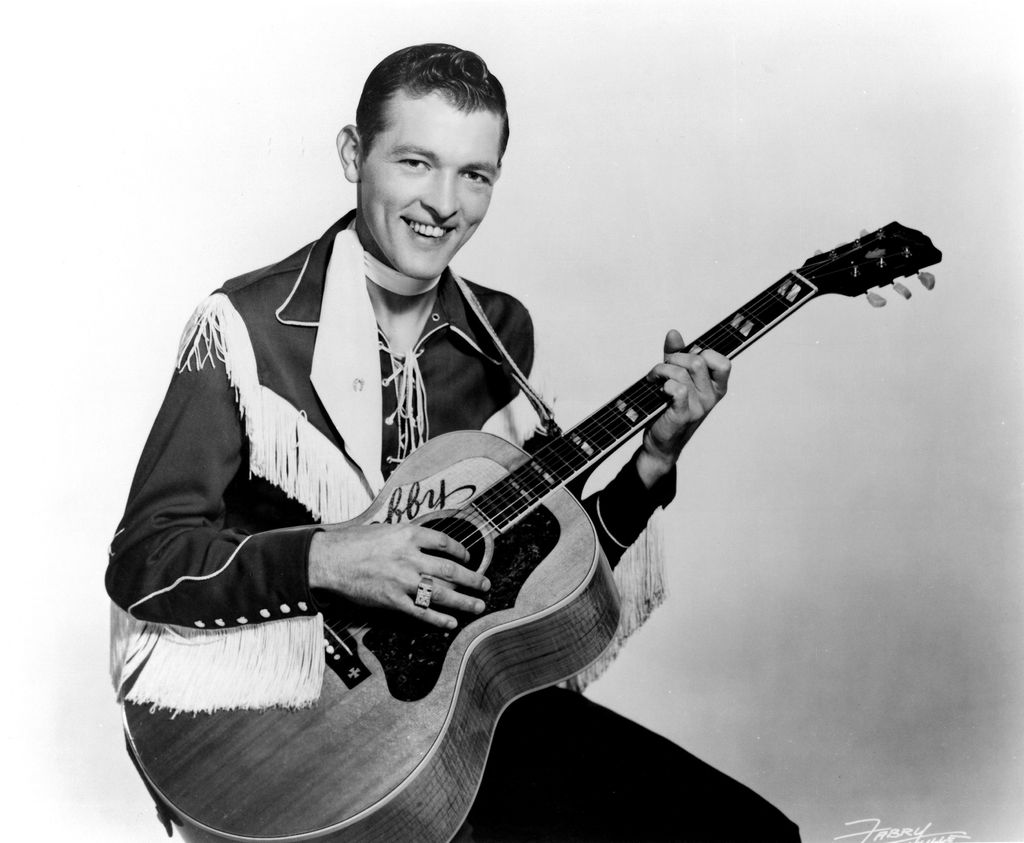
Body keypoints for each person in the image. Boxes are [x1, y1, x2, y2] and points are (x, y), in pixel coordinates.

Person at [107, 43, 799, 842]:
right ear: (351, 154)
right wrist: (328, 558)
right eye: (415, 162)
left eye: (475, 174)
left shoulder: (500, 333)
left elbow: (536, 573)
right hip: (286, 737)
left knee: (751, 835)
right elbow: (144, 559)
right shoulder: (243, 328)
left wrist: (654, 459)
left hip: (451, 708)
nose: (444, 203)